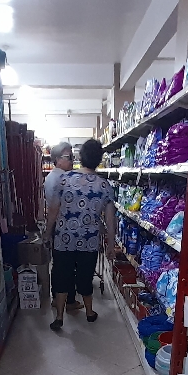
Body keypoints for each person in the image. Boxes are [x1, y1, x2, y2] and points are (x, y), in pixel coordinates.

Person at [45, 138, 116, 331]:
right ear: (99, 160)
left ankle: (59, 316)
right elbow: (110, 220)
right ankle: (90, 312)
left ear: (80, 157)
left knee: (62, 275)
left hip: (64, 238)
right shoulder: (104, 186)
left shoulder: (64, 179)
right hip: (89, 240)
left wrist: (47, 234)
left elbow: (53, 210)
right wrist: (111, 245)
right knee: (85, 276)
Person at [43, 142, 82, 312]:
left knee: (59, 264)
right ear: (57, 159)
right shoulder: (62, 179)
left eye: (72, 157)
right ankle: (70, 300)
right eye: (68, 157)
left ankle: (57, 298)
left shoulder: (52, 177)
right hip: (63, 227)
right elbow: (55, 208)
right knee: (67, 265)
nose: (72, 160)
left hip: (59, 227)